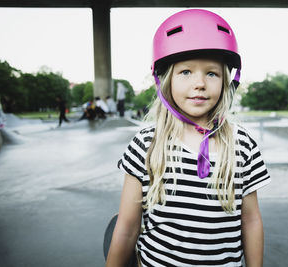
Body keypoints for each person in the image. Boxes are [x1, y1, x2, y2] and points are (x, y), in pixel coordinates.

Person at [106, 9, 271, 267]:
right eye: (186, 72)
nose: (200, 83)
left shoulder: (243, 145)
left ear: (228, 81)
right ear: (165, 80)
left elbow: (250, 221)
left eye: (212, 73)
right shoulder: (146, 144)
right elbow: (127, 227)